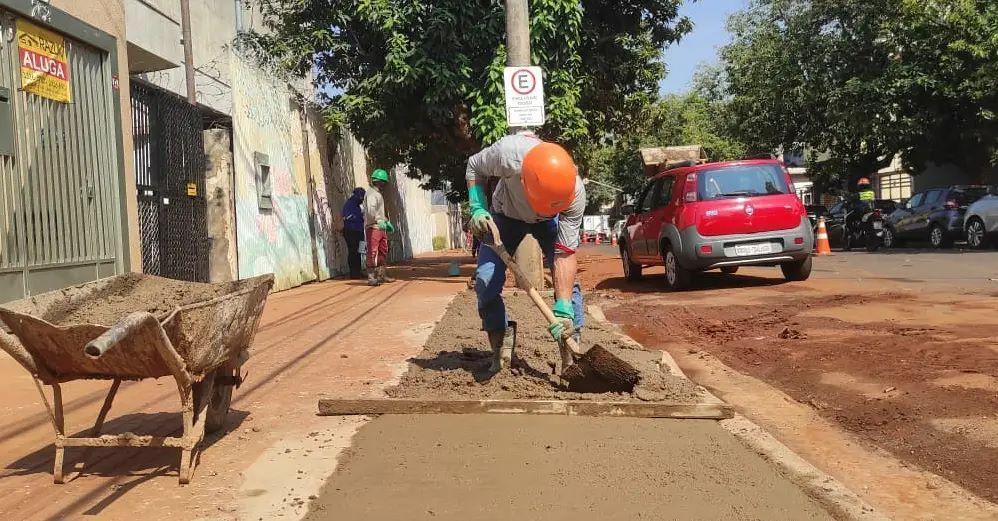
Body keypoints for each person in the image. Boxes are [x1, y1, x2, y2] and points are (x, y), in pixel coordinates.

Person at [466, 131, 586, 373]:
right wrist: (477, 208)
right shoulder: (507, 154)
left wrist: (562, 306)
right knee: (486, 280)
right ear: (523, 180)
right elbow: (473, 167)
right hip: (506, 216)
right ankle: (501, 346)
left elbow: (564, 253)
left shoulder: (575, 192)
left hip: (548, 224)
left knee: (568, 289)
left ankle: (572, 356)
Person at [363, 169, 396, 286]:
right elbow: (372, 211)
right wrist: (379, 220)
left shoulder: (377, 194)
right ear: (379, 182)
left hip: (380, 227)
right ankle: (371, 277)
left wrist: (386, 221)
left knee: (383, 251)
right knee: (372, 251)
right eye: (383, 182)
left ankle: (382, 275)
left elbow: (378, 211)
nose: (384, 185)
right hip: (373, 227)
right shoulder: (372, 194)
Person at [340, 187, 366, 279]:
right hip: (351, 231)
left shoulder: (359, 206)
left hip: (359, 231)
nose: (362, 199)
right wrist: (356, 217)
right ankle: (354, 273)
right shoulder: (350, 204)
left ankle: (358, 271)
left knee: (360, 251)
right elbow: (347, 216)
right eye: (361, 196)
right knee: (353, 251)